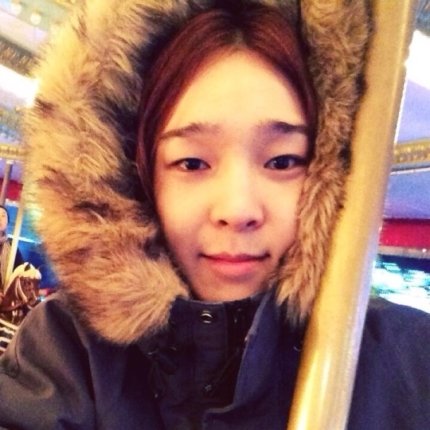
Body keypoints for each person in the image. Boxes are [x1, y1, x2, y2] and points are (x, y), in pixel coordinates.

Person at [0, 1, 429, 429]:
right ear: (138, 180)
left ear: (328, 174)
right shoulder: (68, 354)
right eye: (192, 163)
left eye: (282, 162)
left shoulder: (410, 363)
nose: (238, 210)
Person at [0, 205, 23, 289]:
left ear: (7, 222)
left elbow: (20, 269)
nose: (0, 218)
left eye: (3, 216)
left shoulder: (12, 245)